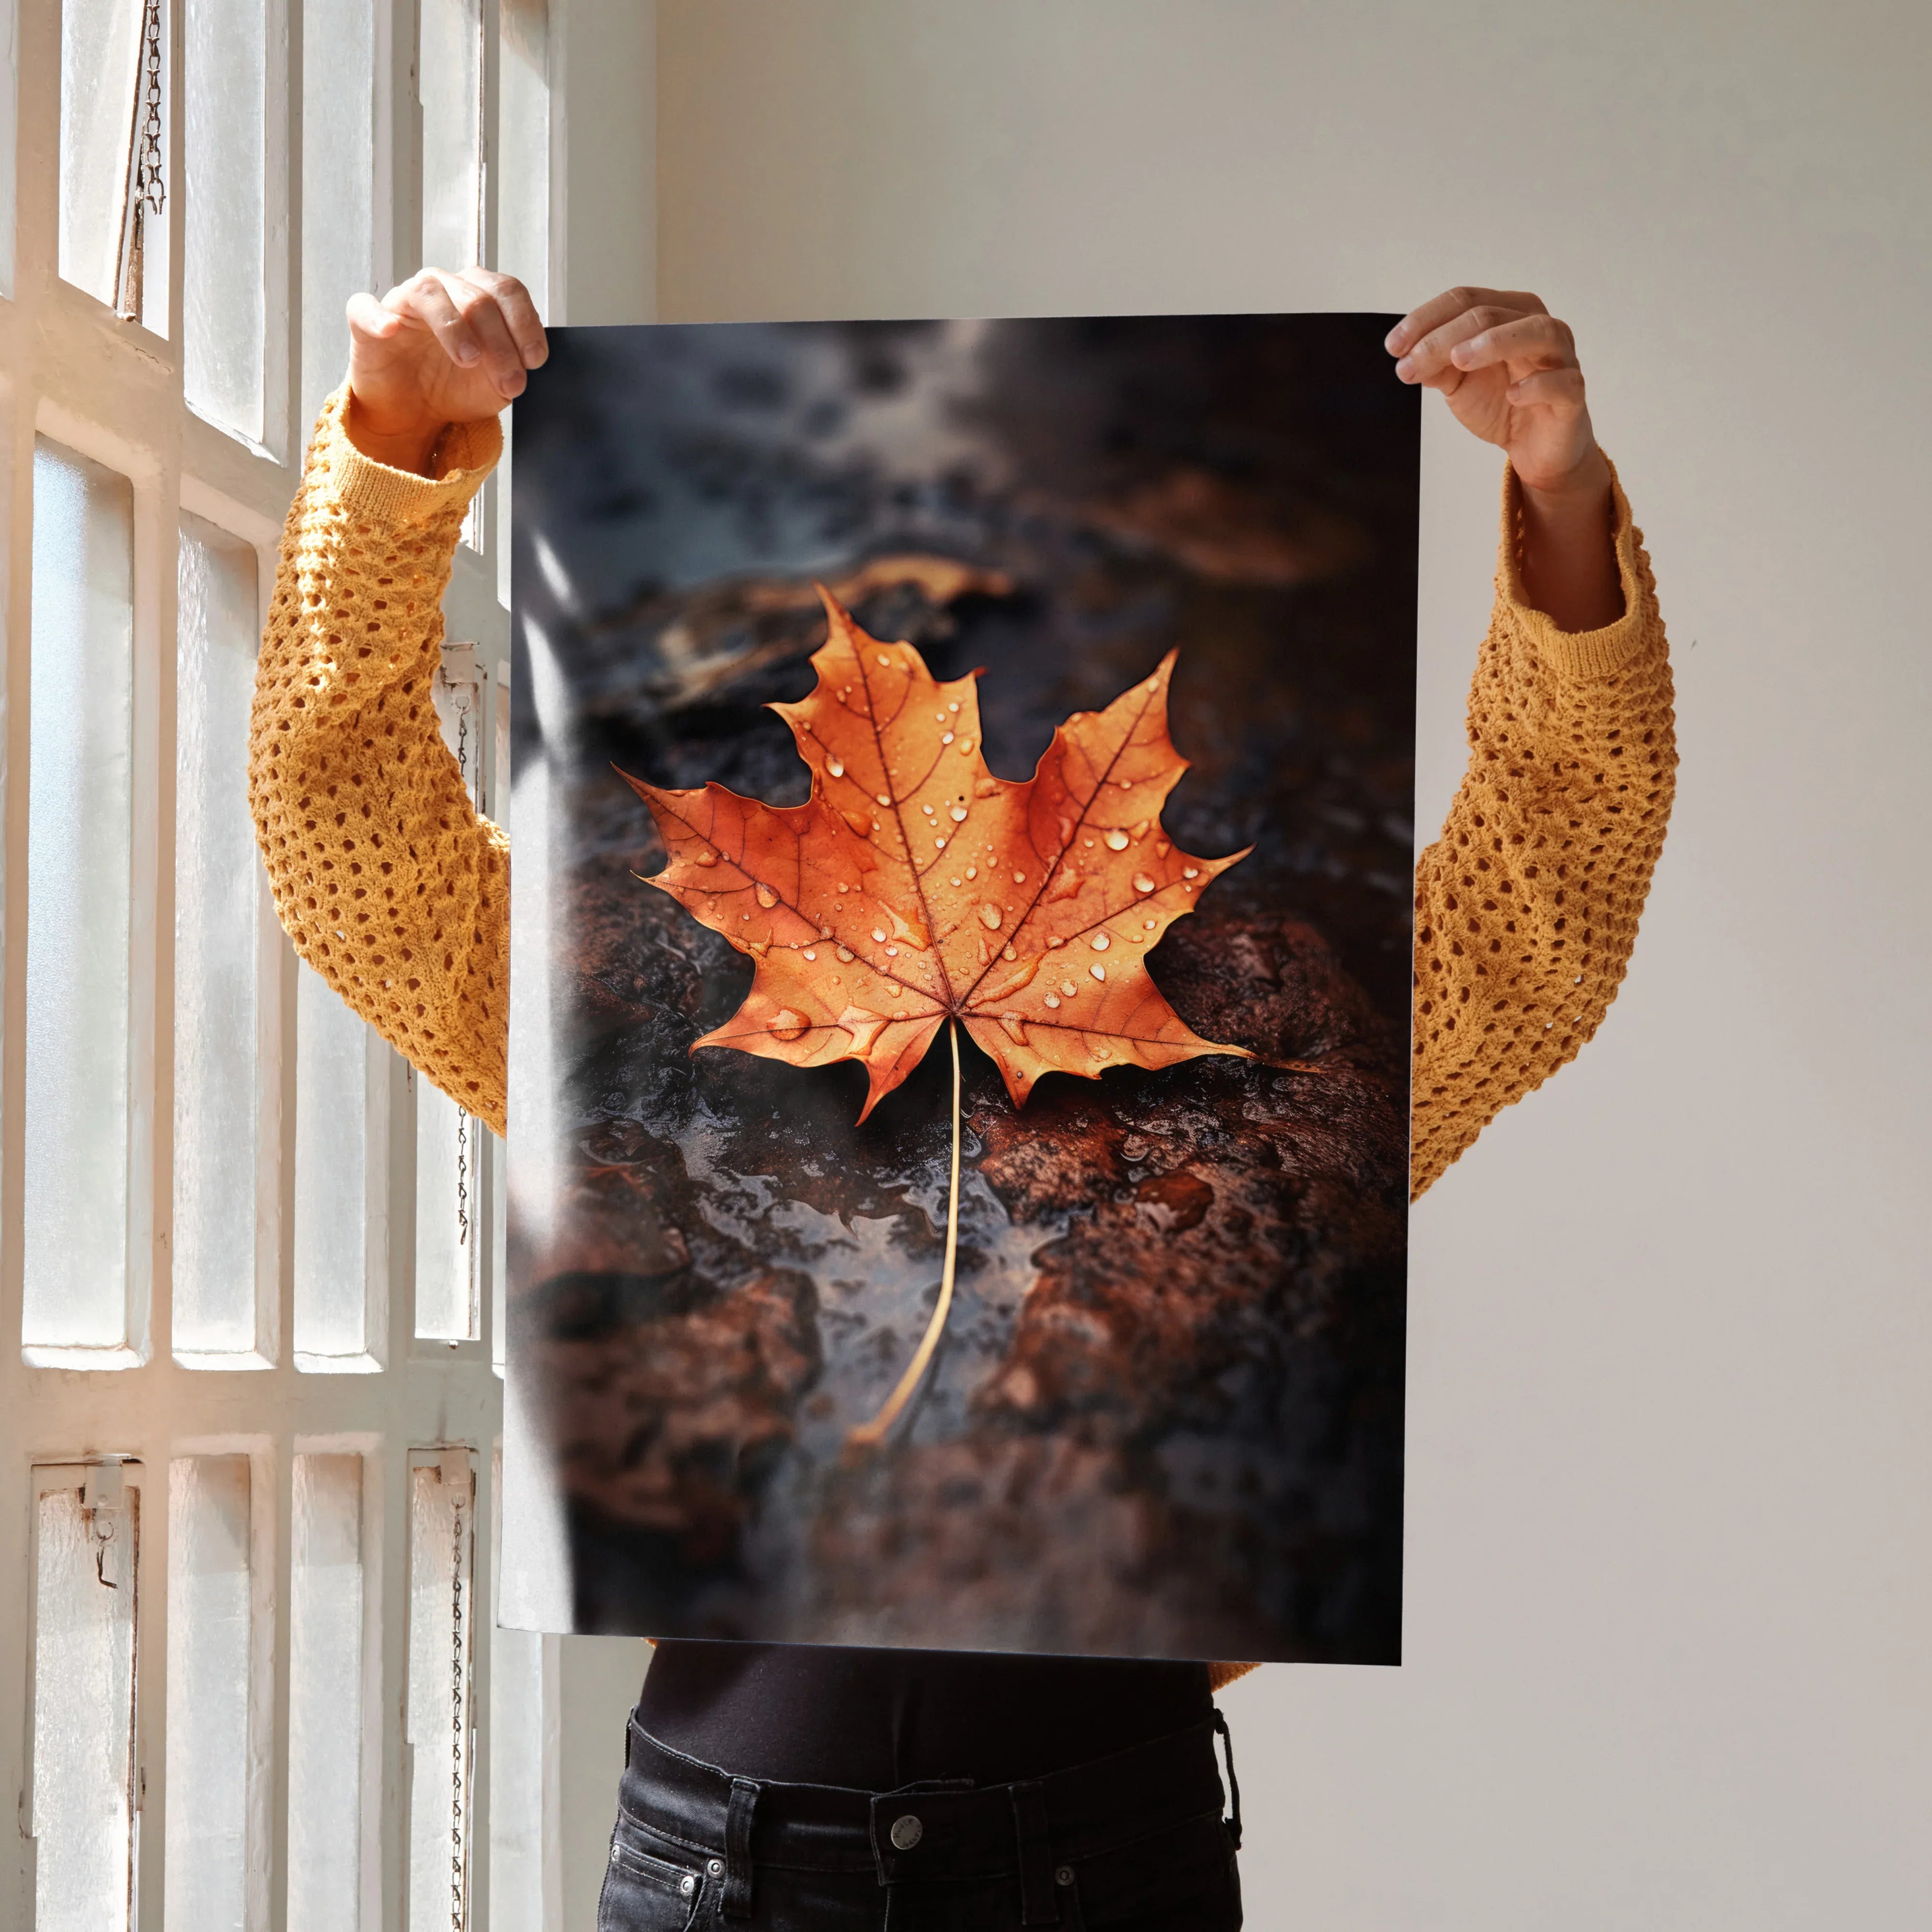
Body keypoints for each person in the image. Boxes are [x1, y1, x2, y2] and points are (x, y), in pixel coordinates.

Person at [250, 269, 1675, 1930]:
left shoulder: (1262, 1047)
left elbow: (1550, 890)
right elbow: (349, 844)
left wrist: (1561, 499)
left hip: (1108, 1855)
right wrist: (392, 449)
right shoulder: (661, 1014)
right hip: (726, 1866)